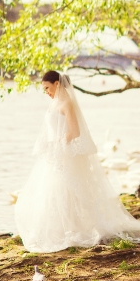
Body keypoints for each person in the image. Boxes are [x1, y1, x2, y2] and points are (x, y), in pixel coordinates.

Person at [15, 70, 140, 253]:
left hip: (63, 154)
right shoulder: (55, 103)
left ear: (57, 84)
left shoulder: (67, 103)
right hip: (55, 155)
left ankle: (73, 229)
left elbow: (75, 132)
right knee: (53, 193)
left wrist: (58, 143)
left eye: (47, 88)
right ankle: (61, 228)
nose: (46, 92)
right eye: (44, 90)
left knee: (67, 192)